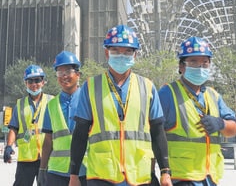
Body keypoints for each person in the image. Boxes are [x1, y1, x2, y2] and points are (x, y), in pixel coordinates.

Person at [68, 24, 172, 186]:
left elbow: (158, 132)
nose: (122, 56)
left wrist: (165, 171)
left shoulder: (148, 87)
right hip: (102, 175)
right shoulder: (91, 87)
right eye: (116, 51)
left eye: (128, 51)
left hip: (140, 176)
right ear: (106, 53)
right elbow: (80, 134)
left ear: (135, 55)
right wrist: (74, 175)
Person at [158, 36, 236, 186]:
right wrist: (163, 173)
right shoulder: (167, 93)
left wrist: (221, 123)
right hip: (182, 177)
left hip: (210, 177)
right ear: (181, 66)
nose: (200, 67)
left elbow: (233, 129)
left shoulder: (213, 96)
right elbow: (154, 134)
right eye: (193, 62)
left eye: (204, 63)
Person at [38, 51, 87, 186]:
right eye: (60, 73)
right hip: (57, 171)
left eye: (68, 71)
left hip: (85, 169)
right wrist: (42, 168)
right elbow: (48, 141)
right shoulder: (52, 105)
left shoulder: (89, 99)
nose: (64, 76)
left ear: (78, 74)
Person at [4, 64, 54, 186]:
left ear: (43, 82)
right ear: (25, 83)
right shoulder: (20, 104)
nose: (34, 84)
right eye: (30, 81)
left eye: (37, 80)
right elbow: (13, 128)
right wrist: (9, 146)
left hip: (47, 156)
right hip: (26, 157)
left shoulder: (52, 101)